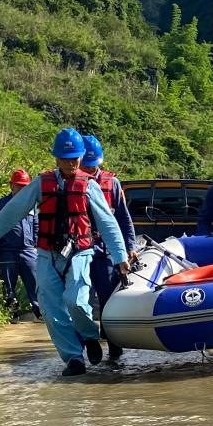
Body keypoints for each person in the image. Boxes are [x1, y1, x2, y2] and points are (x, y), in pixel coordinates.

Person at [0, 128, 130, 377]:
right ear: (56, 158)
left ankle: (91, 336)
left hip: (80, 252)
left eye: (76, 158)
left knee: (77, 302)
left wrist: (120, 257)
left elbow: (108, 223)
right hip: (47, 254)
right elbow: (14, 208)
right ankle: (73, 359)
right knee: (51, 309)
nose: (71, 163)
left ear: (81, 158)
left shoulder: (88, 185)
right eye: (66, 158)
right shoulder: (42, 183)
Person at [79, 135, 137, 361]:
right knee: (80, 300)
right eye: (86, 166)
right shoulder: (69, 183)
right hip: (80, 249)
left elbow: (123, 218)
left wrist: (129, 246)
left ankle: (114, 348)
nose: (90, 170)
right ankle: (87, 343)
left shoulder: (112, 183)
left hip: (105, 251)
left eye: (93, 166)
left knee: (108, 300)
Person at [0, 169, 41, 323]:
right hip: (7, 251)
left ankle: (39, 311)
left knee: (35, 282)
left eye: (25, 186)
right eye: (19, 186)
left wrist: (37, 246)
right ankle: (12, 312)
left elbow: (36, 225)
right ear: (11, 186)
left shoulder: (32, 205)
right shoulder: (1, 205)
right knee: (8, 283)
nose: (22, 189)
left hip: (28, 250)